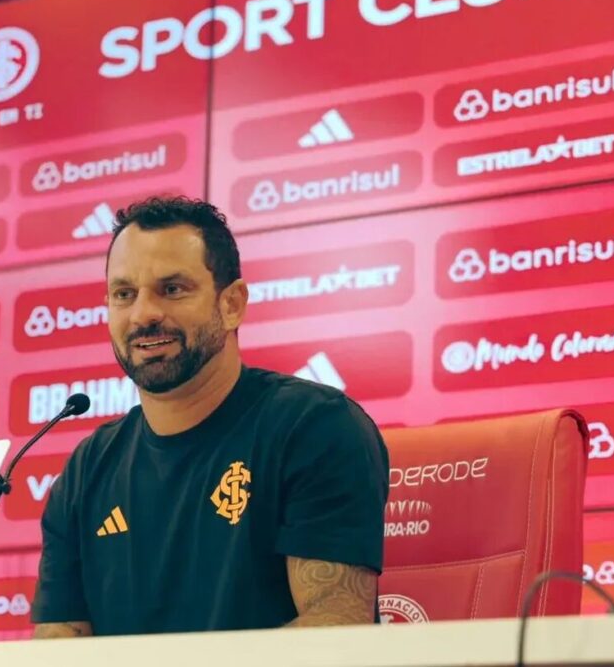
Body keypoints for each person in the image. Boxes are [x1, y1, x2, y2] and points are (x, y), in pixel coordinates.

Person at [31, 196, 389, 637]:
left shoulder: (314, 427)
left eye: (172, 289)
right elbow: (57, 645)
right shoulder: (88, 468)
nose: (143, 314)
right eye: (124, 294)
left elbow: (335, 633)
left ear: (232, 304)